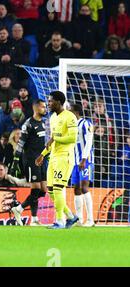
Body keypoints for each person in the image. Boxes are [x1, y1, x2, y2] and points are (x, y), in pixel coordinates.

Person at [35, 91, 79, 229]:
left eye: (50, 101)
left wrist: (55, 138)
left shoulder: (70, 116)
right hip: (53, 157)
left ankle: (60, 221)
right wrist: (43, 154)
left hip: (65, 157)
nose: (48, 104)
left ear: (59, 102)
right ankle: (71, 217)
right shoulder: (53, 118)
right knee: (52, 191)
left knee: (58, 189)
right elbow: (52, 141)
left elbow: (72, 138)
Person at [11, 100, 48, 226]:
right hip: (31, 160)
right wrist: (16, 159)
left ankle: (20, 209)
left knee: (43, 190)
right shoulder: (28, 124)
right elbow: (21, 142)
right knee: (36, 189)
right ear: (36, 108)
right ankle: (33, 218)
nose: (45, 109)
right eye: (43, 107)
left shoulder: (43, 123)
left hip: (41, 159)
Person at [70, 104, 95, 227]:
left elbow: (89, 141)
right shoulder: (71, 126)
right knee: (76, 189)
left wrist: (84, 159)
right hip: (74, 162)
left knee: (85, 187)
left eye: (71, 111)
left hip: (86, 160)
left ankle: (90, 220)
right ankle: (79, 219)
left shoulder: (86, 123)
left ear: (76, 112)